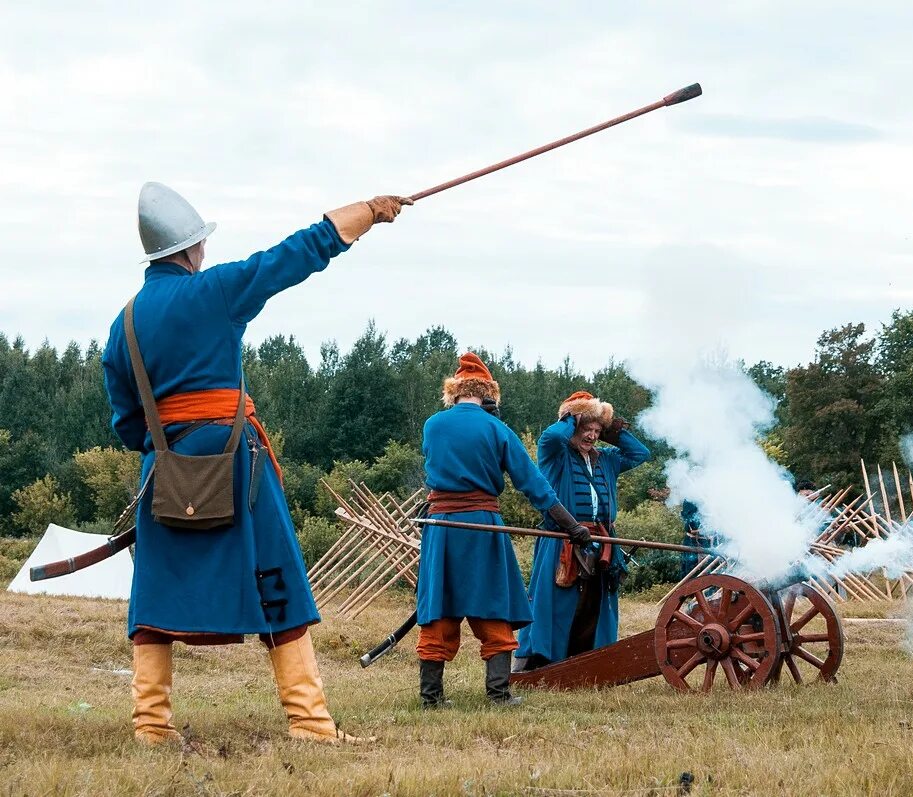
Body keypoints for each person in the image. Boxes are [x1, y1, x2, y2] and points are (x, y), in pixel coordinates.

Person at [102, 182, 409, 745]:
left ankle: (150, 726)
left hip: (165, 470)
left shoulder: (121, 325)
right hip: (233, 460)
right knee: (279, 580)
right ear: (192, 250)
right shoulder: (212, 291)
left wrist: (169, 441)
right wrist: (362, 215)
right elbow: (283, 260)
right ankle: (311, 722)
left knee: (156, 592)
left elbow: (127, 426)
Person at [416, 354, 591, 708]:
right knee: (493, 602)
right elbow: (533, 484)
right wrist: (570, 524)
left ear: (454, 393)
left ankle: (430, 697)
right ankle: (498, 693)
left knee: (439, 605)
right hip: (482, 525)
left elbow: (436, 467)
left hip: (442, 526)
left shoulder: (433, 424)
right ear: (488, 395)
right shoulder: (498, 429)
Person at [515, 391, 650, 669]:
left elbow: (640, 453)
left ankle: (587, 661)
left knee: (595, 605)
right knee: (557, 603)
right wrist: (572, 417)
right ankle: (542, 661)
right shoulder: (556, 454)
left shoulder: (608, 459)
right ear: (574, 426)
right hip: (562, 539)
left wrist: (611, 428)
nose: (591, 436)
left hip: (601, 542)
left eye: (597, 430)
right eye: (586, 429)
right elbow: (552, 437)